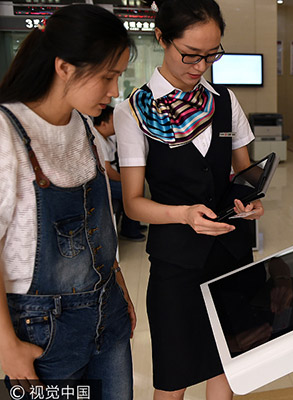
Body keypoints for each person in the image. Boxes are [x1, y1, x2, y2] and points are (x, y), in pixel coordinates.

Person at [114, 0, 263, 398]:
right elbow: (133, 203)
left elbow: (244, 170)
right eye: (191, 55)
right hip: (176, 264)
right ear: (162, 38)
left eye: (211, 55)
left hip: (231, 255)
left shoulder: (225, 101)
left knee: (229, 364)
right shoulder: (134, 112)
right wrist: (183, 214)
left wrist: (253, 197)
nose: (201, 67)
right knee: (173, 374)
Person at [0, 4, 136, 399]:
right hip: (42, 333)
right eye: (107, 76)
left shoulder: (84, 125)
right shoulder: (7, 132)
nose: (115, 91)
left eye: (118, 76)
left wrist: (118, 286)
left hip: (108, 312)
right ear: (63, 67)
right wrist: (8, 349)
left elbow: (99, 225)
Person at [94, 106, 146, 241]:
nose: (117, 124)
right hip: (103, 181)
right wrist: (126, 181)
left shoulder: (108, 138)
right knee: (129, 190)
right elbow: (108, 171)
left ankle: (134, 223)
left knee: (136, 187)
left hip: (110, 178)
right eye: (113, 121)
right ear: (103, 123)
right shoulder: (97, 139)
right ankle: (130, 230)